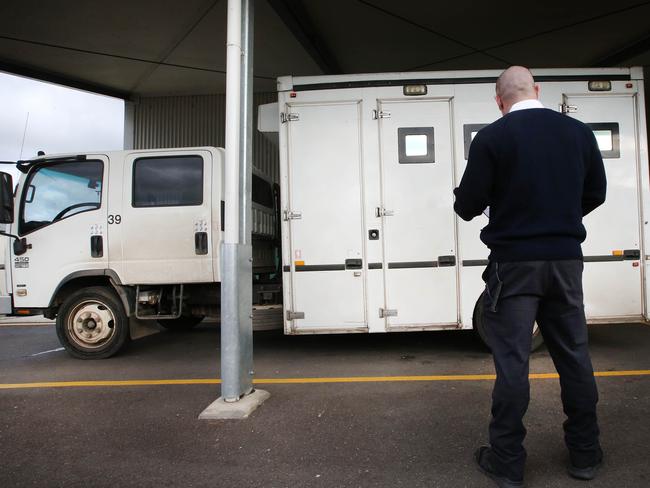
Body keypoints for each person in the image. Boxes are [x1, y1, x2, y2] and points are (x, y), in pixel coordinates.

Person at [453, 66, 606, 488]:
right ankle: (585, 455)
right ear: (537, 90)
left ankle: (507, 463)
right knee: (574, 357)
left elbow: (467, 205)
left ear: (499, 101)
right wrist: (559, 217)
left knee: (513, 365)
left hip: (514, 267)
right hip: (564, 262)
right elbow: (596, 193)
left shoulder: (492, 138)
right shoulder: (579, 133)